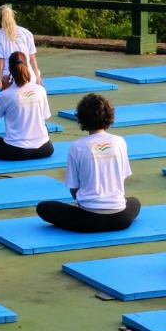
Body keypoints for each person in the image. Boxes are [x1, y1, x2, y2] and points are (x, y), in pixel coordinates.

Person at [34, 93, 140, 232]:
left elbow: (74, 188)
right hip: (120, 219)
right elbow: (122, 176)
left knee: (44, 208)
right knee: (134, 202)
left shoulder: (77, 146)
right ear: (109, 116)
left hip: (88, 220)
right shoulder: (119, 142)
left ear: (81, 118)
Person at [0, 55, 54, 161]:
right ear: (27, 66)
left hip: (17, 151)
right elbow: (45, 115)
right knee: (43, 124)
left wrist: (3, 90)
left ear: (9, 69)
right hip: (45, 149)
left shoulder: (6, 94)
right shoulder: (40, 90)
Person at [0, 5, 41, 89]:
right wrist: (37, 77)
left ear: (0, 19)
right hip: (28, 76)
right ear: (13, 17)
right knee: (37, 71)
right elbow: (32, 58)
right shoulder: (27, 33)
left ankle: (10, 80)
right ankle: (33, 76)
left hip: (9, 78)